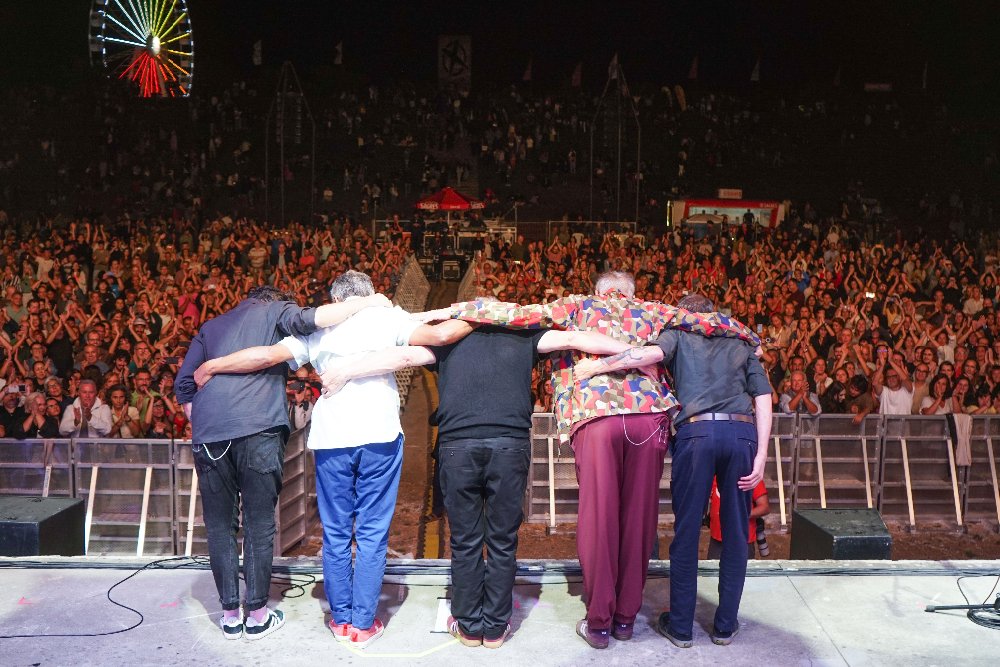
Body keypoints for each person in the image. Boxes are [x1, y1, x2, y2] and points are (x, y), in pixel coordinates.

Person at [434, 272, 760, 649]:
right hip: (648, 417)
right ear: (631, 292)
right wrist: (750, 338)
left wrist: (444, 312)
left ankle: (600, 624)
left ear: (598, 291)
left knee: (599, 520)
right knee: (639, 521)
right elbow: (707, 321)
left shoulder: (577, 305)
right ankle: (625, 621)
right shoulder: (654, 310)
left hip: (596, 416)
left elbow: (513, 313)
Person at [316, 299, 637, 650]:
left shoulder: (449, 337)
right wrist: (633, 351)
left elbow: (404, 357)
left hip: (458, 448)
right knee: (502, 541)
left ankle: (469, 628)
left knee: (465, 541)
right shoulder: (524, 333)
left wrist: (345, 371)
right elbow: (575, 338)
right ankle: (495, 629)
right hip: (509, 447)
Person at [191, 271, 471, 649]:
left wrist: (213, 365)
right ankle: (363, 624)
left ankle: (340, 620)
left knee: (336, 532)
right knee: (372, 533)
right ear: (369, 294)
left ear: (336, 300)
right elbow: (436, 340)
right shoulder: (387, 318)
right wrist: (483, 315)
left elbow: (265, 356)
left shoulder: (318, 330)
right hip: (380, 436)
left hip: (332, 439)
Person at [174, 284, 391, 642]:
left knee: (219, 527)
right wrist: (368, 301)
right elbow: (316, 317)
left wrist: (208, 420)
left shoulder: (211, 326)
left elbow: (184, 383)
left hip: (210, 435)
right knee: (259, 525)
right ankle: (257, 616)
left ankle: (230, 617)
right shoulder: (277, 311)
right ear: (277, 300)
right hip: (259, 428)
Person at [574, 292, 772, 648]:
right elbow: (763, 396)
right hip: (741, 434)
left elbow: (646, 355)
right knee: (737, 531)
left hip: (697, 433)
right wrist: (761, 456)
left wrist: (596, 368)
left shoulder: (679, 332)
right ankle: (725, 626)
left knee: (686, 532)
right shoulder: (740, 340)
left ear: (683, 314)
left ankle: (681, 627)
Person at [707, 478, 770, 560]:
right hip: (717, 538)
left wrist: (740, 514)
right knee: (713, 568)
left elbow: (764, 507)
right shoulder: (715, 476)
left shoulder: (751, 477)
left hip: (742, 540)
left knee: (741, 568)